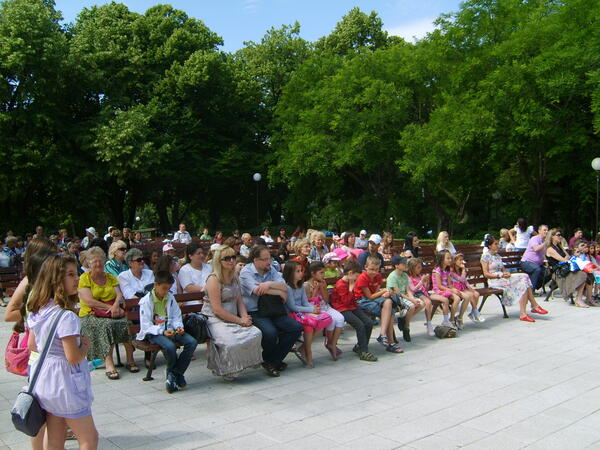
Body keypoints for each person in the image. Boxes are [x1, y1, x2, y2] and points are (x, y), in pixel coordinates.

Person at [26, 254, 99, 450]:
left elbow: (32, 345)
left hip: (45, 380)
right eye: (70, 274)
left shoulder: (39, 309)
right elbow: (73, 356)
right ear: (56, 279)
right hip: (66, 384)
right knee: (89, 438)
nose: (76, 279)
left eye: (76, 274)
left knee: (55, 440)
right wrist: (85, 345)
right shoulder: (66, 316)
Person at [240, 245, 302, 377]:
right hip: (255, 311)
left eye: (269, 258)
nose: (269, 262)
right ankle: (273, 361)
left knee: (295, 327)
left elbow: (284, 286)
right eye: (265, 259)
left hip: (273, 308)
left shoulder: (271, 269)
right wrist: (277, 291)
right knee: (270, 332)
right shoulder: (246, 272)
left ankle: (271, 361)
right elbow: (257, 291)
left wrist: (268, 285)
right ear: (256, 260)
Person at [78, 246, 137, 379]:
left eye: (100, 260)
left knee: (127, 323)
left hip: (111, 311)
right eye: (94, 261)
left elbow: (119, 295)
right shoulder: (84, 278)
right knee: (106, 326)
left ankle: (130, 358)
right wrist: (109, 307)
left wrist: (115, 305)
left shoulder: (110, 277)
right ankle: (109, 362)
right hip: (90, 314)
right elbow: (88, 301)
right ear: (88, 263)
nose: (97, 264)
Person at [204, 246, 262, 380]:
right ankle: (227, 369)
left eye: (233, 257)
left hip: (233, 316)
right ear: (219, 261)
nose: (231, 261)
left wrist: (244, 316)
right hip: (215, 318)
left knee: (255, 333)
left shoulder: (235, 276)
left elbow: (239, 300)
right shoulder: (213, 279)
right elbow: (217, 309)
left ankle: (241, 365)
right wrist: (239, 321)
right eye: (227, 258)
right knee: (231, 342)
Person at [137, 271, 198, 393]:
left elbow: (176, 315)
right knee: (169, 347)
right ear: (156, 285)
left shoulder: (170, 297)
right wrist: (161, 331)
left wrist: (178, 327)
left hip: (171, 330)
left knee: (192, 342)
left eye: (168, 289)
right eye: (164, 288)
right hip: (154, 333)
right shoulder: (146, 301)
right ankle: (174, 375)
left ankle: (174, 374)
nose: (166, 292)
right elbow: (146, 325)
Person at [481, 235, 548, 321]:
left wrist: (506, 273)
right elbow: (486, 274)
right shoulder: (485, 256)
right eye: (495, 244)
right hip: (494, 280)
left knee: (525, 277)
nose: (498, 246)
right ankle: (532, 307)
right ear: (490, 246)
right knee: (523, 282)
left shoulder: (497, 256)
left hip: (503, 277)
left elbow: (503, 269)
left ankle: (528, 310)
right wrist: (499, 275)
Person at [283, 261, 329, 368]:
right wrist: (311, 308)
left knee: (321, 323)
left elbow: (304, 301)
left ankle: (304, 348)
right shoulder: (288, 288)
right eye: (298, 271)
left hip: (302, 313)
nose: (301, 273)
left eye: (301, 271)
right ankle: (309, 354)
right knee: (309, 327)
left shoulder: (300, 286)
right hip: (292, 314)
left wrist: (313, 309)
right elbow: (292, 307)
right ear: (290, 273)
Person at [331, 259, 377, 361]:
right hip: (342, 308)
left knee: (368, 322)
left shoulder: (351, 281)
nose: (357, 278)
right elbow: (345, 302)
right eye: (356, 276)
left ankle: (360, 346)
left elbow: (352, 301)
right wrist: (351, 289)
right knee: (360, 325)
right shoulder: (341, 284)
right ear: (350, 273)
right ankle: (364, 351)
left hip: (352, 307)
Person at [356, 256, 403, 353]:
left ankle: (382, 335)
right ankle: (390, 343)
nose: (374, 272)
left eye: (376, 270)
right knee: (390, 312)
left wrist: (385, 294)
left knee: (389, 302)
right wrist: (384, 291)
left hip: (372, 300)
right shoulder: (362, 278)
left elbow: (376, 294)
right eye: (371, 269)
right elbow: (369, 297)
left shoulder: (378, 277)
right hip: (362, 301)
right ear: (365, 267)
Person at [304, 261, 345, 361]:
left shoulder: (323, 282)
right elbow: (310, 303)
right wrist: (316, 289)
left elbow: (326, 300)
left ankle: (332, 343)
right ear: (313, 273)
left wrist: (322, 288)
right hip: (315, 310)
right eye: (321, 273)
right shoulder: (306, 285)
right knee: (330, 320)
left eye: (324, 272)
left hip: (325, 307)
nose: (323, 275)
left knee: (340, 318)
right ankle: (329, 344)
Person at [386, 255, 426, 342]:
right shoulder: (392, 276)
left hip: (405, 296)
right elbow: (398, 293)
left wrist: (413, 299)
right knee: (411, 307)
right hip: (396, 297)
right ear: (397, 265)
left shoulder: (404, 275)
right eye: (403, 263)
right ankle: (406, 327)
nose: (405, 265)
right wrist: (411, 300)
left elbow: (408, 290)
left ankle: (404, 319)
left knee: (421, 304)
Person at [545, 229, 588, 307]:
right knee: (582, 274)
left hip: (565, 269)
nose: (560, 236)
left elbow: (568, 256)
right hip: (558, 272)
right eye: (558, 235)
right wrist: (565, 258)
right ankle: (578, 299)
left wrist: (565, 258)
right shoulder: (550, 249)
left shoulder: (559, 246)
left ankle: (584, 298)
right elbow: (564, 259)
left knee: (586, 273)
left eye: (560, 235)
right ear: (552, 236)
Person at [450, 253, 484, 325]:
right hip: (457, 288)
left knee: (476, 294)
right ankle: (473, 312)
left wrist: (470, 287)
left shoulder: (460, 269)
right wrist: (463, 271)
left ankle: (473, 312)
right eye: (460, 260)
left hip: (463, 287)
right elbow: (461, 279)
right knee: (471, 295)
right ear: (454, 261)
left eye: (462, 260)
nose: (462, 262)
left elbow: (465, 281)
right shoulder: (452, 271)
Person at [406, 258, 437, 336]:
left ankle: (431, 321)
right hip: (417, 294)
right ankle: (429, 324)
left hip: (424, 293)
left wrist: (427, 282)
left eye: (420, 267)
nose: (420, 269)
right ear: (412, 268)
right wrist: (421, 282)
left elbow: (425, 289)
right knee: (428, 302)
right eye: (418, 267)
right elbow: (413, 289)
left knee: (438, 299)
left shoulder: (420, 276)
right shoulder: (409, 278)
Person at [431, 250, 462, 328]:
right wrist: (452, 290)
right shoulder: (437, 270)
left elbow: (449, 284)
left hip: (446, 289)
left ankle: (451, 319)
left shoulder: (447, 270)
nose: (450, 260)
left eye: (450, 258)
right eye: (448, 258)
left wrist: (454, 289)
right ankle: (447, 320)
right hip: (439, 290)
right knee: (451, 299)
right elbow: (439, 286)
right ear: (442, 259)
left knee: (458, 298)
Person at [520, 224, 549, 290]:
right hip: (526, 262)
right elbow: (536, 248)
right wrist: (545, 243)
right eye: (544, 230)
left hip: (537, 264)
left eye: (547, 230)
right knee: (537, 269)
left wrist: (547, 264)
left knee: (548, 272)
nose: (546, 232)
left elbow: (544, 254)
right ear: (539, 231)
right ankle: (531, 290)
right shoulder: (534, 239)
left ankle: (535, 287)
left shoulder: (544, 241)